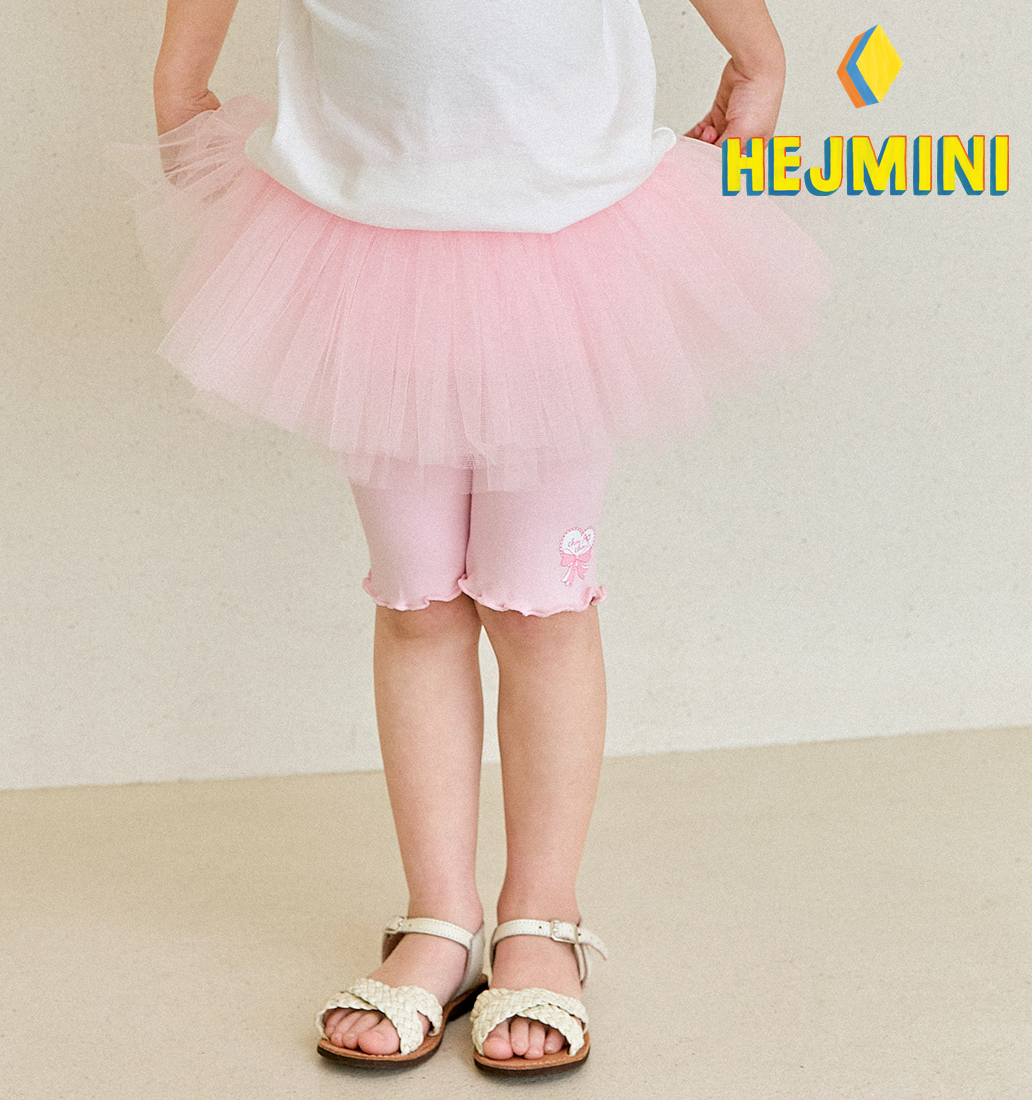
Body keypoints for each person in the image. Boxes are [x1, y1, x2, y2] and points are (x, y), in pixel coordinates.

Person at [106, 0, 834, 1075]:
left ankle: (542, 915)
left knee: (539, 606)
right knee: (417, 602)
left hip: (568, 230)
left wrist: (757, 53)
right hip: (363, 226)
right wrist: (180, 76)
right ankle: (438, 915)